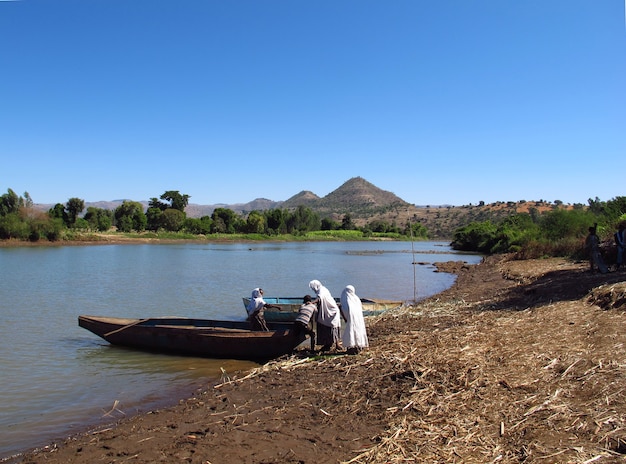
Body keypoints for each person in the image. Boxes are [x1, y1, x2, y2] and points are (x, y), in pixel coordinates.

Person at [309, 279, 342, 352]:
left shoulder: (321, 291)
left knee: (331, 326)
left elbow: (319, 298)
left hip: (330, 311)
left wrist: (312, 303)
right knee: (332, 326)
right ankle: (329, 344)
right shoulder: (323, 289)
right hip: (330, 310)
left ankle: (334, 344)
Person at [340, 285, 369, 355]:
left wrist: (343, 315)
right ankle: (358, 346)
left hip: (351, 320)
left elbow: (346, 310)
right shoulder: (356, 299)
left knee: (350, 332)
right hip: (358, 320)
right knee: (358, 331)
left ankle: (351, 348)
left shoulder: (347, 300)